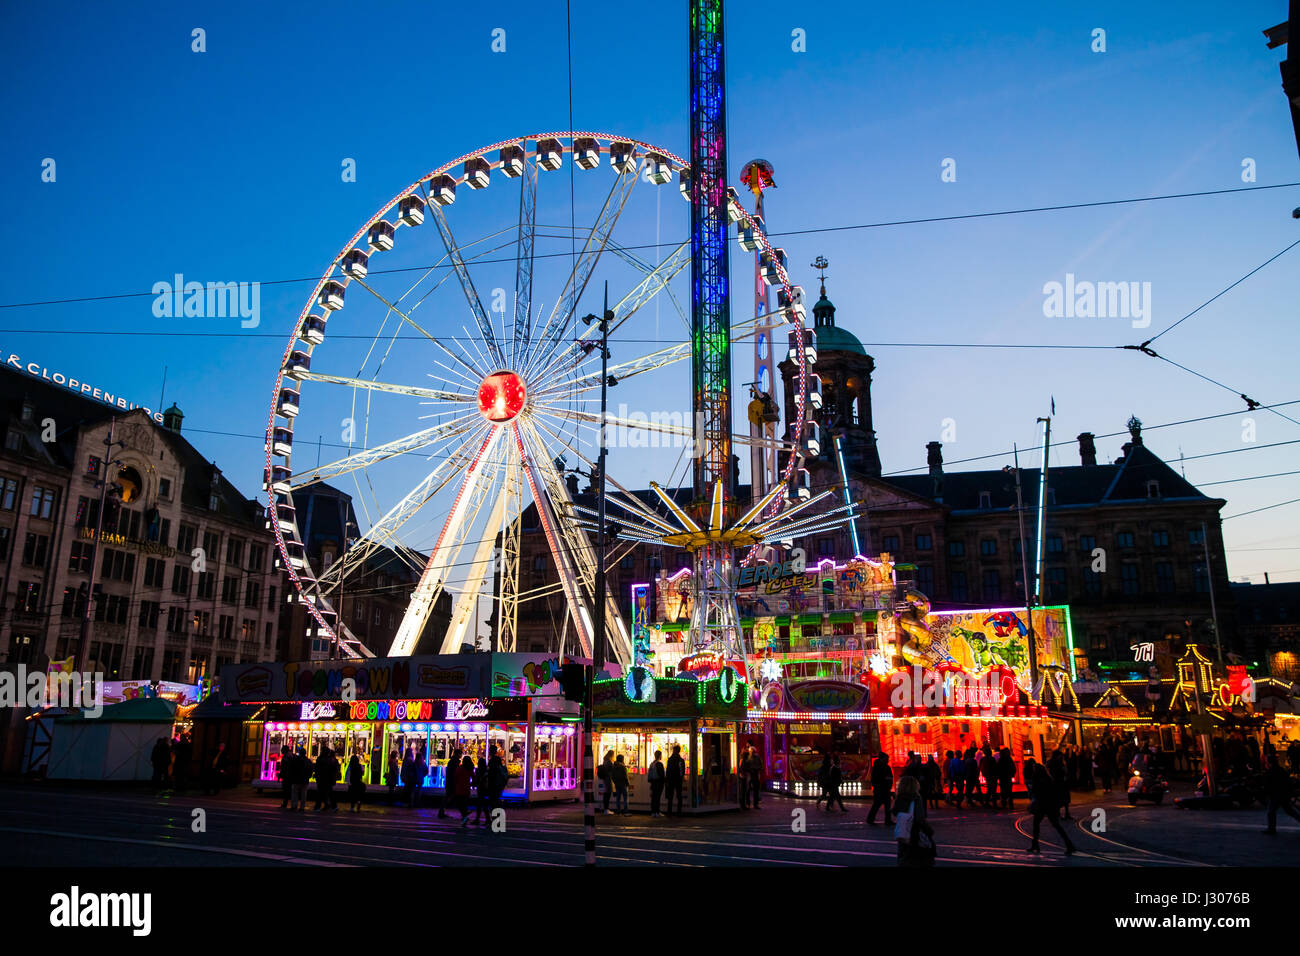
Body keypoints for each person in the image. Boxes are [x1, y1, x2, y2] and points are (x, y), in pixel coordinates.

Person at [1026, 762, 1075, 855]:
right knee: (1056, 825)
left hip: (1041, 805)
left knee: (1036, 824)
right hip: (1050, 805)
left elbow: (1034, 791)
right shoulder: (1048, 778)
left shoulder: (1036, 778)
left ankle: (1035, 844)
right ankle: (1069, 844)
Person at [893, 775, 935, 867]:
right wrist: (929, 830)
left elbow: (895, 812)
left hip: (903, 832)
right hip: (914, 832)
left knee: (903, 856)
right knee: (918, 856)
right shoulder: (916, 799)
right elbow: (920, 818)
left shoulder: (899, 798)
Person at [1261, 753, 1300, 835]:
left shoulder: (1271, 771)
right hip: (1282, 794)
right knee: (1289, 811)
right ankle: (1271, 829)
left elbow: (1268, 784)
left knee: (1271, 811)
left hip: (1277, 794)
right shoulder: (1280, 770)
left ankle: (1271, 829)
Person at [867, 752, 893, 825]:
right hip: (881, 788)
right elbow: (875, 779)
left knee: (884, 804)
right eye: (886, 758)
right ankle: (871, 819)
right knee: (878, 804)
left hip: (884, 788)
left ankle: (886, 819)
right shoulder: (879, 767)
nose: (888, 760)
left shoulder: (883, 767)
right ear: (883, 759)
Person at [314, 747, 340, 812]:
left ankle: (318, 806)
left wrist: (317, 777)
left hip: (322, 779)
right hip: (329, 779)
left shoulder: (320, 759)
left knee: (320, 793)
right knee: (330, 793)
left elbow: (317, 769)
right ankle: (333, 806)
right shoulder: (331, 760)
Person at [1049, 749, 1071, 820]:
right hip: (1058, 783)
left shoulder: (1058, 762)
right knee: (1060, 799)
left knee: (1062, 799)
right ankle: (1060, 813)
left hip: (1061, 782)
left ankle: (1064, 813)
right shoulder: (1055, 763)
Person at [440, 749, 461, 818]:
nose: (461, 755)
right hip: (452, 782)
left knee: (449, 796)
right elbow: (455, 772)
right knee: (450, 796)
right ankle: (442, 810)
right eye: (460, 754)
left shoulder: (452, 761)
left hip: (450, 781)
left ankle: (442, 810)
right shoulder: (455, 762)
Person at [665, 744, 686, 816]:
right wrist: (681, 778)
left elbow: (668, 771)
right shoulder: (681, 760)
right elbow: (682, 771)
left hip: (671, 780)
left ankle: (669, 812)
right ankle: (679, 812)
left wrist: (667, 779)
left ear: (674, 750)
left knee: (670, 796)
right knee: (679, 796)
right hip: (678, 780)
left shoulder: (670, 759)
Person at [289, 746, 309, 811]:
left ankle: (294, 805)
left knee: (295, 793)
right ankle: (302, 807)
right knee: (303, 794)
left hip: (296, 779)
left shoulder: (296, 760)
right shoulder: (308, 760)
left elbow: (292, 768)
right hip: (305, 779)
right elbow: (311, 769)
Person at [455, 754, 474, 823]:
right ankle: (465, 815)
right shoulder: (469, 769)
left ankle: (464, 815)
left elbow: (455, 777)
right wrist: (471, 784)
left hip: (459, 788)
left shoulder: (459, 768)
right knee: (464, 803)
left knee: (459, 803)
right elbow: (473, 778)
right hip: (466, 788)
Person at [648, 749, 666, 817]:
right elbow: (662, 774)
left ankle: (653, 812)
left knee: (654, 797)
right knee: (657, 797)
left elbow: (650, 774)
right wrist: (664, 780)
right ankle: (657, 812)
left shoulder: (652, 764)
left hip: (653, 782)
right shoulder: (659, 764)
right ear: (660, 756)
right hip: (658, 782)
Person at [598, 750, 616, 815]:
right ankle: (606, 809)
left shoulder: (605, 760)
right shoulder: (608, 762)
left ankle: (606, 809)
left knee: (606, 794)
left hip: (606, 779)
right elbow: (612, 769)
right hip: (608, 779)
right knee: (607, 794)